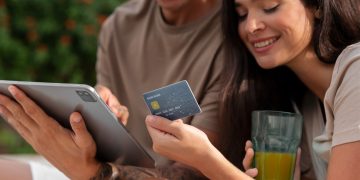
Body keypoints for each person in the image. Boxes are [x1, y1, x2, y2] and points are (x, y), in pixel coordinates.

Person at [0, 0, 225, 179]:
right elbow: (107, 101)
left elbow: (195, 173)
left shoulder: (237, 34)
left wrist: (91, 173)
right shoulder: (121, 25)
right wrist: (100, 111)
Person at [145, 0, 360, 179]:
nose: (251, 26)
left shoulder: (356, 73)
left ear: (318, 6)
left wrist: (206, 159)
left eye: (270, 7)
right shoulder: (305, 107)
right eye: (242, 14)